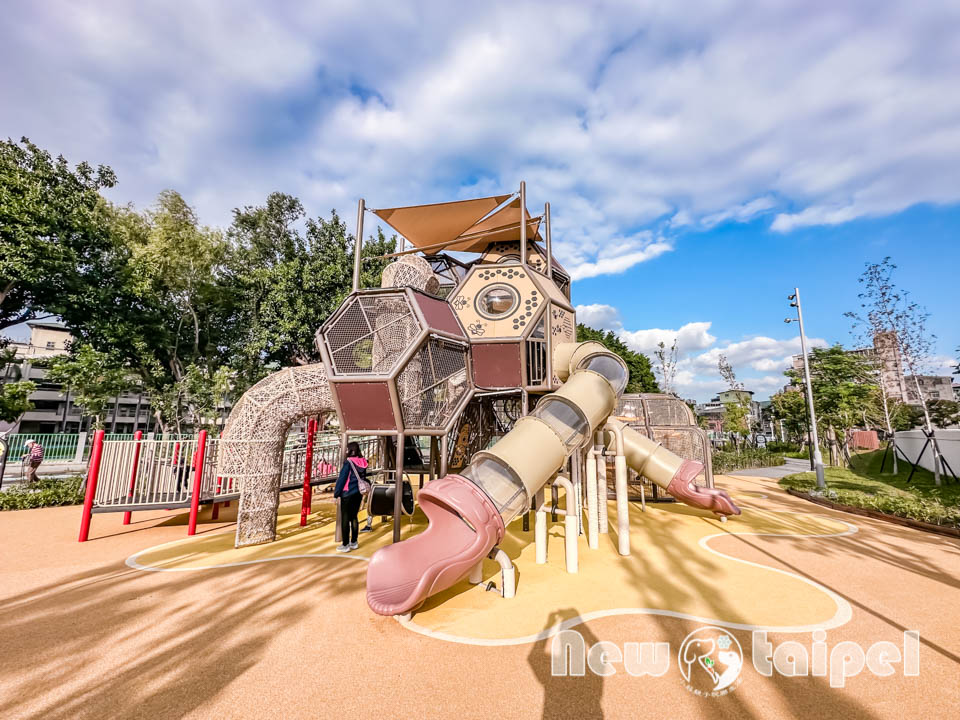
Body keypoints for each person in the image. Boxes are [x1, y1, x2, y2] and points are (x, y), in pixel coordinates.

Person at [333, 442, 368, 552]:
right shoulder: (363, 462)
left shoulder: (348, 463)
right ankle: (354, 542)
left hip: (347, 493)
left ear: (350, 450)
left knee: (345, 519)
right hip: (358, 493)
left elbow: (342, 479)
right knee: (354, 517)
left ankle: (345, 544)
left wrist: (336, 494)